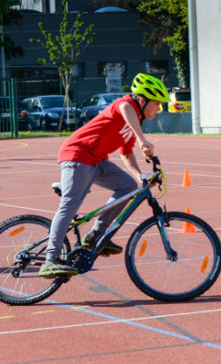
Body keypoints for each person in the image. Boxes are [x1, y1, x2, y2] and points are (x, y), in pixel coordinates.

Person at [39, 73, 168, 278]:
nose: (158, 109)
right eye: (156, 104)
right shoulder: (126, 105)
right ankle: (50, 260)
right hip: (77, 155)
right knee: (70, 205)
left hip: (97, 160)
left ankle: (96, 234)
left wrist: (140, 177)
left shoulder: (135, 120)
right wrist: (142, 139)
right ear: (142, 100)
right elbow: (125, 108)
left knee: (128, 186)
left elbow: (125, 152)